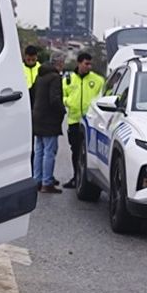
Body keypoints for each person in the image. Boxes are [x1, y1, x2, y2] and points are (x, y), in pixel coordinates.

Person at [62, 52, 106, 189]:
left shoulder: (98, 80)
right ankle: (76, 177)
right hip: (74, 120)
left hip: (91, 122)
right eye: (86, 64)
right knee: (75, 150)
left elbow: (104, 96)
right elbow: (63, 95)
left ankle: (88, 179)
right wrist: (68, 101)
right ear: (79, 63)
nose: (89, 66)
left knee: (89, 152)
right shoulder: (69, 79)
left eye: (90, 64)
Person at [31, 54, 65, 193]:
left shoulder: (40, 76)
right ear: (59, 63)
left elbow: (32, 93)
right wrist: (62, 111)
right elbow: (54, 99)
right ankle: (47, 182)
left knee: (39, 151)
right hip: (49, 119)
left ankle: (37, 180)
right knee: (49, 151)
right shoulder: (55, 78)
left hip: (38, 117)